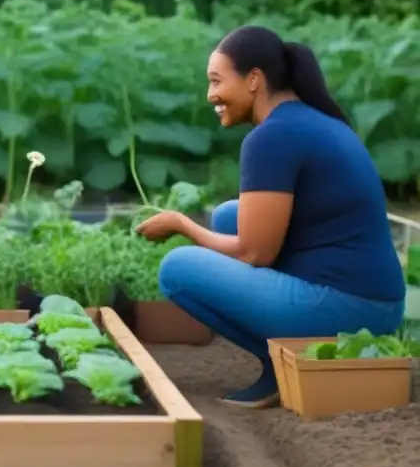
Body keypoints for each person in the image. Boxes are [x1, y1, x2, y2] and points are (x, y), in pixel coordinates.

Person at [135, 25, 405, 409]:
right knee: (231, 215)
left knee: (177, 268)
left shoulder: (271, 138)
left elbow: (254, 255)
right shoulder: (313, 120)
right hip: (379, 303)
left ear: (254, 80)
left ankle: (280, 361)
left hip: (350, 312)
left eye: (216, 81)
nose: (210, 94)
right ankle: (282, 360)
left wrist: (182, 225)